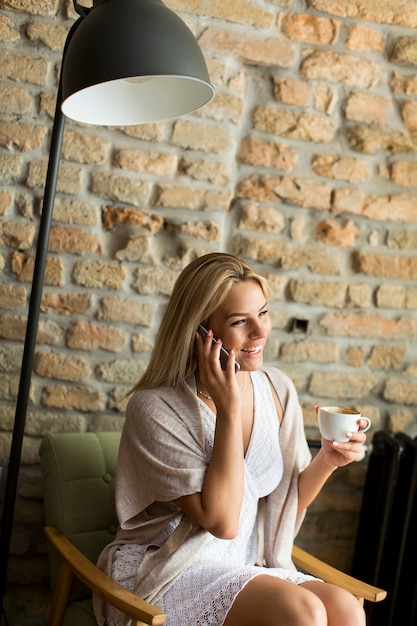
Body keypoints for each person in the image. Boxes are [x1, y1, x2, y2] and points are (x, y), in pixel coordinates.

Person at [94, 252, 368, 626]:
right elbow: (222, 522)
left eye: (264, 313)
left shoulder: (277, 389)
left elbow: (282, 502)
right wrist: (228, 409)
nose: (260, 332)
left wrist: (328, 461)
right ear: (200, 331)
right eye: (240, 321)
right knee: (302, 612)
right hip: (169, 568)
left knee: (348, 609)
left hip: (239, 565)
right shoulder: (155, 408)